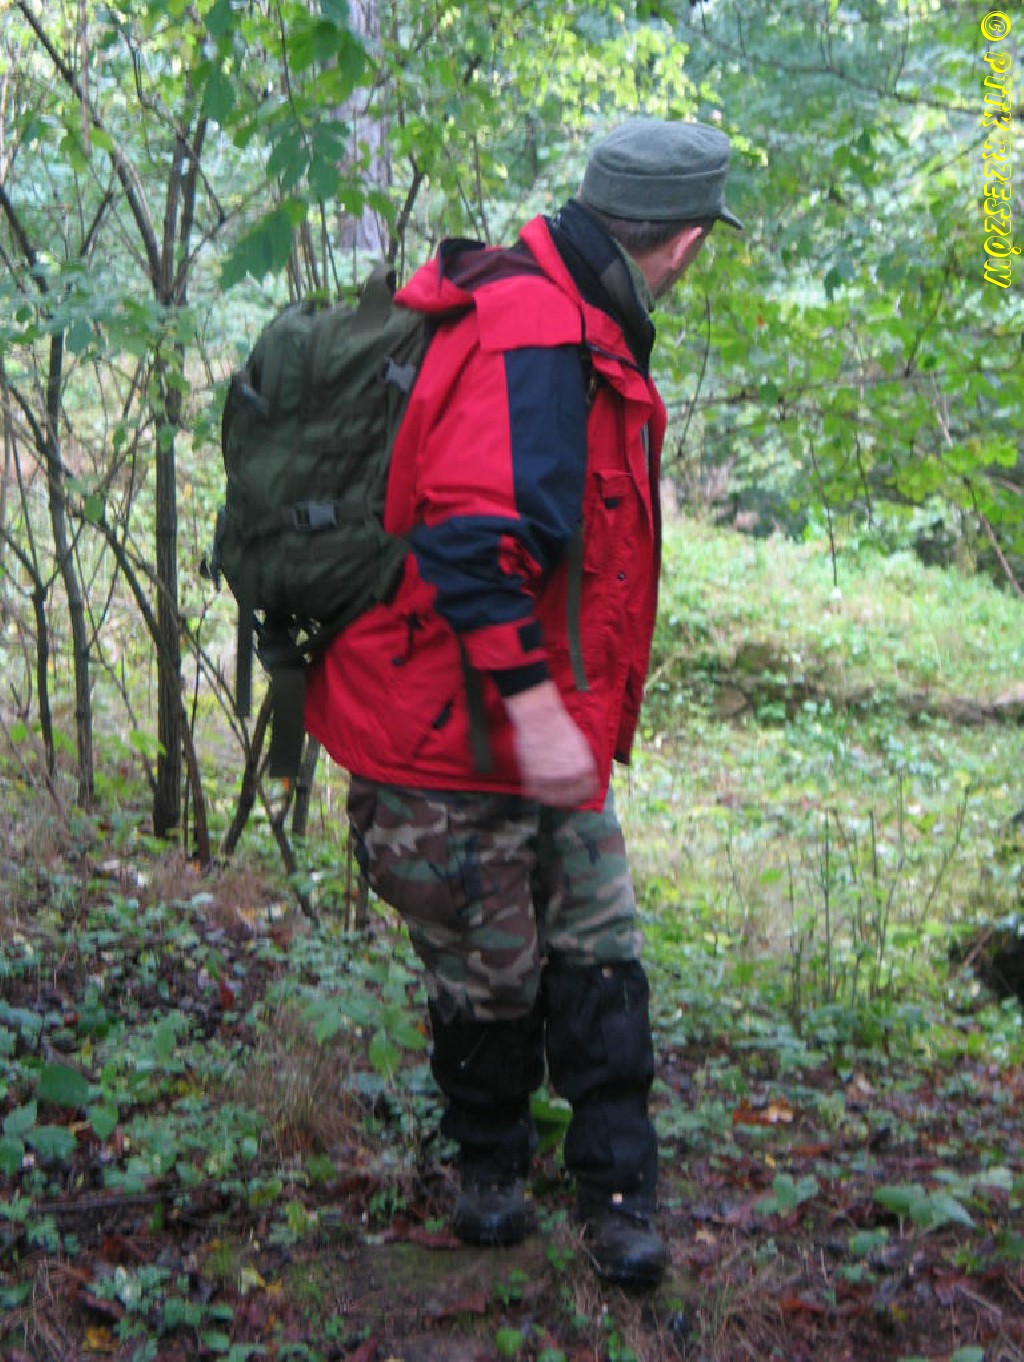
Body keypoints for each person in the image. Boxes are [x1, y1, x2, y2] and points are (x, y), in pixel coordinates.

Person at [305, 117, 742, 1290]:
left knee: (601, 949)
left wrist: (559, 717)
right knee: (489, 975)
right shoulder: (535, 329)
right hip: (448, 727)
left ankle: (616, 1197)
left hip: (533, 712)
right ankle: (490, 1172)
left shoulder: (574, 317)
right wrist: (536, 711)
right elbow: (468, 544)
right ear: (683, 243)